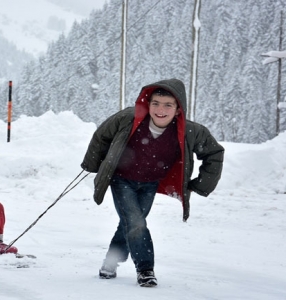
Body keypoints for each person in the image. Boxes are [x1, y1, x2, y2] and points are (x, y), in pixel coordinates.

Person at [81, 78, 224, 287]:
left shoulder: (190, 131)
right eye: (155, 103)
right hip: (121, 180)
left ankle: (110, 263)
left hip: (150, 183)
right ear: (148, 104)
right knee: (136, 222)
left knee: (130, 223)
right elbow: (102, 136)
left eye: (168, 105)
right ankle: (145, 269)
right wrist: (93, 164)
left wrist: (201, 184)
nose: (160, 109)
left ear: (178, 110)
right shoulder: (129, 118)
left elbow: (214, 153)